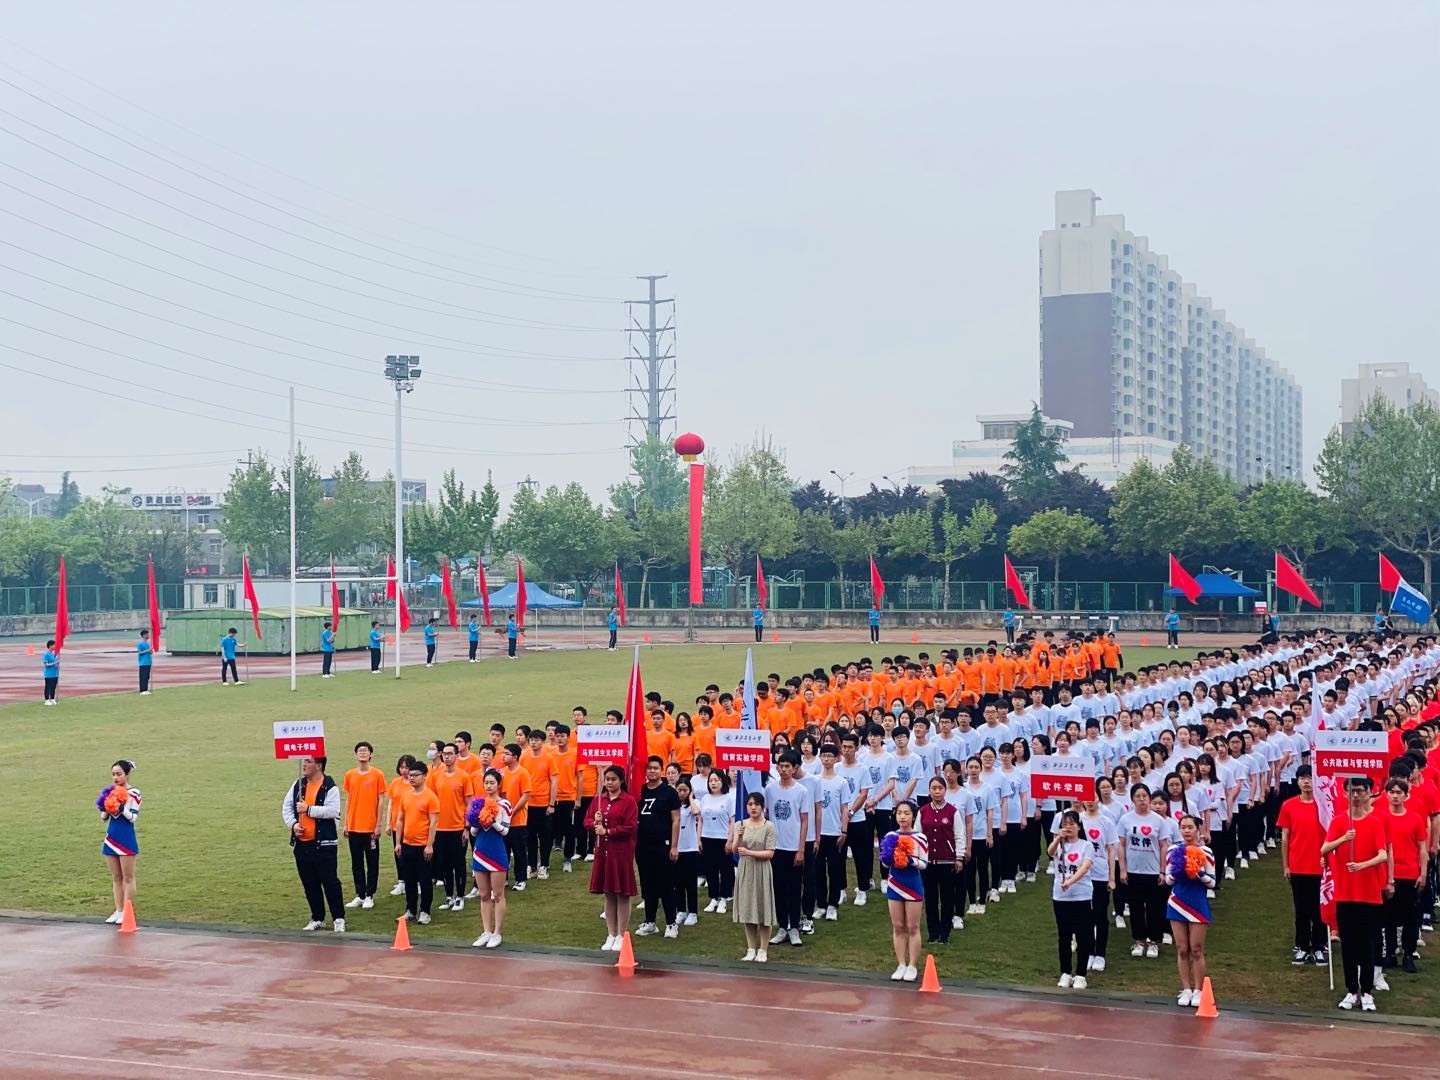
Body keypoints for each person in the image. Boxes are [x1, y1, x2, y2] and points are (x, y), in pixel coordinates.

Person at [1321, 776, 1389, 1012]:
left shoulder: (1375, 822)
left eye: (1360, 791)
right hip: (1345, 893)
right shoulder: (1339, 822)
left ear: (1369, 793)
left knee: (1367, 944)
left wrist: (1362, 865)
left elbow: (1383, 854)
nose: (1356, 796)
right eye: (1352, 791)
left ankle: (1367, 991)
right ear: (1345, 794)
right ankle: (1352, 990)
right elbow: (1324, 848)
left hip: (1369, 894)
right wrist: (1344, 838)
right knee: (1348, 944)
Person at [280, 755, 346, 932]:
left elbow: (333, 811)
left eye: (308, 762)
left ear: (319, 765)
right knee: (310, 883)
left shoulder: (329, 786)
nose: (304, 765)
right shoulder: (298, 785)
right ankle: (317, 917)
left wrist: (308, 809)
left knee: (330, 882)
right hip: (302, 844)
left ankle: (338, 918)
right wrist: (294, 825)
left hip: (324, 845)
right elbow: (287, 807)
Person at [1278, 764, 1327, 965]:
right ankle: (1302, 946)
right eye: (1303, 778)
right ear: (1297, 781)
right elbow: (1285, 837)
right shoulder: (1289, 805)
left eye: (1310, 777)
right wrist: (1286, 865)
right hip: (1298, 865)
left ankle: (1319, 946)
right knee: (1301, 909)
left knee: (1319, 909)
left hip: (1320, 865)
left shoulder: (1324, 806)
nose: (1307, 782)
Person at [1164, 814, 1215, 1007]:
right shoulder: (1173, 850)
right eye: (1183, 827)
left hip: (1197, 902)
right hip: (1177, 902)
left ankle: (1199, 990)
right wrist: (1178, 871)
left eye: (1190, 827)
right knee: (1182, 948)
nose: (1186, 831)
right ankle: (1185, 989)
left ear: (1198, 829)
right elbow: (1167, 880)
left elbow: (1212, 882)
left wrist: (1198, 872)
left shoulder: (1206, 852)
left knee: (1196, 949)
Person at [587, 765, 638, 951]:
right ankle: (611, 933)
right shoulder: (598, 800)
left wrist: (608, 831)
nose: (609, 782)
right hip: (603, 852)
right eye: (607, 779)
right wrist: (595, 822)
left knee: (622, 893)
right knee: (608, 893)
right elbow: (586, 821)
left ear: (621, 780)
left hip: (621, 853)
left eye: (613, 779)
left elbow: (631, 827)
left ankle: (622, 934)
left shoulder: (629, 801)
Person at [1381, 776, 1428, 974]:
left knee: (1410, 917)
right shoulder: (1381, 817)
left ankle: (1408, 954)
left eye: (1399, 793)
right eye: (1392, 792)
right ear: (1386, 794)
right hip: (1387, 875)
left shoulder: (1415, 819)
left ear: (1406, 796)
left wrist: (1423, 873)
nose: (1395, 796)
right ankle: (1390, 953)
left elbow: (1422, 848)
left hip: (1409, 874)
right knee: (1388, 916)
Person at [766, 750, 810, 947]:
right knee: (778, 888)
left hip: (793, 847)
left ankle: (794, 927)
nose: (783, 770)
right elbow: (768, 815)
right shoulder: (770, 790)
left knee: (794, 888)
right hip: (775, 847)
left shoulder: (801, 791)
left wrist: (801, 849)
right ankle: (783, 926)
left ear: (794, 768)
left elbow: (804, 821)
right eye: (780, 766)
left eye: (787, 766)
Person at [881, 800, 929, 981]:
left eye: (907, 813)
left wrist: (910, 861)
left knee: (913, 927)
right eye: (899, 813)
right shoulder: (890, 836)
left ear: (913, 816)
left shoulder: (920, 838)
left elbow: (924, 864)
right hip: (895, 884)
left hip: (913, 884)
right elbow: (885, 863)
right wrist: (888, 858)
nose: (902, 817)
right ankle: (901, 964)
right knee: (898, 926)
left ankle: (912, 966)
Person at [634, 756, 681, 938]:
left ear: (661, 770)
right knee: (648, 885)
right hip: (643, 846)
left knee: (666, 885)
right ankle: (650, 922)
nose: (652, 771)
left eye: (655, 768)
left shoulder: (669, 792)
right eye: (649, 768)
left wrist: (674, 846)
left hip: (663, 845)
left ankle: (671, 923)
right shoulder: (640, 790)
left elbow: (676, 819)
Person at [729, 791, 779, 962]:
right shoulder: (740, 824)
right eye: (750, 804)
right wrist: (739, 836)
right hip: (746, 869)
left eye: (756, 804)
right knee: (748, 909)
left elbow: (770, 853)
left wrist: (750, 852)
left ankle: (763, 950)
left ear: (762, 806)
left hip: (762, 869)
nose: (753, 807)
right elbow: (735, 849)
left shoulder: (769, 826)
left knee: (763, 910)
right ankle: (751, 948)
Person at [1049, 809, 1094, 989]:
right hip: (1061, 897)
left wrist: (1070, 881)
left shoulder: (1086, 846)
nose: (1068, 827)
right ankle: (1065, 972)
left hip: (1081, 895)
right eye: (1065, 824)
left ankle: (1081, 974)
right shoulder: (1059, 844)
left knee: (1083, 935)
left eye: (1072, 824)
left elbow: (1085, 867)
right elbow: (1050, 852)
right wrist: (1058, 838)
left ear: (1079, 826)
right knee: (1064, 935)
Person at [467, 768, 511, 948]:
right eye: (486, 783)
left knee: (498, 895)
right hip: (480, 851)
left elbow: (505, 831)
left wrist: (492, 822)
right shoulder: (479, 803)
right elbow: (473, 832)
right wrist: (477, 822)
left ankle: (497, 933)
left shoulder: (505, 805)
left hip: (497, 852)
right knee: (484, 894)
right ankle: (486, 931)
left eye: (492, 782)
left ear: (499, 784)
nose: (489, 786)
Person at [919, 776, 964, 945]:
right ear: (929, 791)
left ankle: (945, 934)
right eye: (934, 788)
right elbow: (918, 836)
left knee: (947, 899)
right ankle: (933, 932)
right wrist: (919, 858)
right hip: (928, 863)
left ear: (945, 790)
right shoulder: (923, 811)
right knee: (930, 899)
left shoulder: (953, 811)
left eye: (940, 788)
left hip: (947, 862)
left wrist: (959, 857)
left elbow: (959, 835)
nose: (937, 791)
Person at [341, 741, 386, 910]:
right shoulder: (350, 775)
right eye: (359, 750)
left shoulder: (377, 774)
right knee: (356, 863)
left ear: (370, 754)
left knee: (372, 863)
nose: (362, 753)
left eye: (365, 750)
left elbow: (381, 800)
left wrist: (378, 825)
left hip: (370, 828)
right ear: (355, 755)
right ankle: (359, 894)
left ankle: (369, 895)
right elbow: (349, 799)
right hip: (354, 827)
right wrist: (346, 823)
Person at [395, 760, 440, 924]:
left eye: (415, 775)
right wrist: (398, 842)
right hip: (407, 845)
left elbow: (433, 823)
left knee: (425, 880)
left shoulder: (431, 797)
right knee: (409, 880)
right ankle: (411, 910)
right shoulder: (406, 796)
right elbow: (400, 820)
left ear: (424, 776)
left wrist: (429, 845)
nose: (412, 778)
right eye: (410, 775)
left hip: (423, 846)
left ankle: (425, 911)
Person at [432, 743, 475, 911]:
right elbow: (432, 801)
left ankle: (460, 897)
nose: (447, 756)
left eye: (450, 753)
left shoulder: (463, 776)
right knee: (444, 864)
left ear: (456, 756)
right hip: (440, 828)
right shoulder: (436, 776)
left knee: (458, 864)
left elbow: (469, 803)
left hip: (457, 828)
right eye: (445, 754)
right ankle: (449, 896)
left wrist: (466, 827)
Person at [98, 758, 141, 923]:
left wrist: (122, 808)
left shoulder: (134, 793)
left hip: (126, 838)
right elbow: (104, 818)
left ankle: (127, 911)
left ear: (127, 774)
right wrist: (105, 807)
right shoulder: (110, 792)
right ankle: (118, 910)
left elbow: (133, 818)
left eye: (119, 774)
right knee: (116, 877)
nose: (115, 777)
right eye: (113, 774)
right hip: (111, 837)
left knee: (128, 877)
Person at [698, 770, 734, 913]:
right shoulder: (705, 798)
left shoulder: (728, 798)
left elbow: (732, 821)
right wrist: (699, 838)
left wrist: (730, 840)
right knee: (710, 870)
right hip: (707, 838)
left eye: (716, 780)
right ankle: (713, 898)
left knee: (725, 870)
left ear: (722, 781)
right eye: (711, 781)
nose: (713, 783)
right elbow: (701, 820)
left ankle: (724, 899)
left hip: (723, 839)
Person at [675, 776, 702, 925]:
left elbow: (696, 812)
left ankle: (693, 912)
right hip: (677, 847)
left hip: (690, 848)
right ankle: (680, 910)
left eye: (685, 790)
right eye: (679, 790)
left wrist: (690, 797)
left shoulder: (694, 803)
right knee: (678, 882)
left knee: (690, 882)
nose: (682, 793)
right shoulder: (673, 805)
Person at [41, 639, 59, 705]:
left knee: (53, 687)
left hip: (55, 673)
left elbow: (56, 663)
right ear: (50, 646)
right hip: (49, 674)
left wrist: (57, 664)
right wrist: (54, 663)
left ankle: (52, 699)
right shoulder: (46, 654)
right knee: (48, 687)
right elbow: (46, 665)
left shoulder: (54, 654)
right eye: (54, 645)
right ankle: (46, 700)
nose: (55, 646)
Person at [136, 628, 153, 694]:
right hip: (143, 663)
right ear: (143, 635)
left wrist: (150, 651)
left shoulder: (148, 644)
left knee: (147, 677)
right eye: (147, 634)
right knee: (143, 676)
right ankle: (142, 690)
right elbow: (140, 652)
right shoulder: (140, 644)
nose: (148, 635)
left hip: (148, 662)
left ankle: (146, 689)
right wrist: (147, 650)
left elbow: (149, 652)